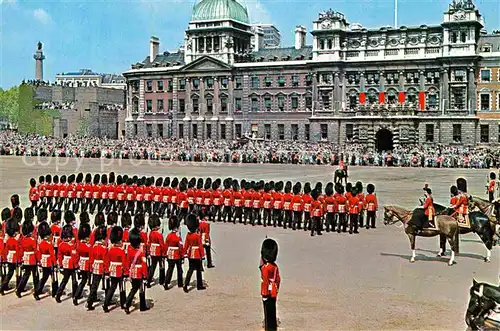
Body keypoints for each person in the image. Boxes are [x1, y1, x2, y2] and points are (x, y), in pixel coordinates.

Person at [124, 227, 149, 314]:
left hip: (132, 272)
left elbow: (127, 262)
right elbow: (144, 265)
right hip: (139, 273)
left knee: (134, 288)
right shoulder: (141, 252)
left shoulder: (129, 250)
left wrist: (127, 272)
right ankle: (142, 306)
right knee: (141, 289)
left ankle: (127, 304)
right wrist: (145, 275)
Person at [103, 226, 127, 312]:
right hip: (120, 270)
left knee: (112, 288)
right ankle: (123, 303)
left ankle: (106, 304)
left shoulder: (110, 250)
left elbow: (107, 261)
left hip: (112, 269)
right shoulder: (121, 251)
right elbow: (124, 263)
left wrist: (107, 271)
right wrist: (126, 273)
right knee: (122, 287)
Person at [260, 238, 280, 331]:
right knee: (272, 312)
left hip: (267, 292)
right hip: (274, 291)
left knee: (268, 313)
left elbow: (265, 281)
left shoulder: (265, 268)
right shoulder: (274, 266)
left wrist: (264, 294)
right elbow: (278, 279)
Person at [55, 224, 79, 303]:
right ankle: (75, 296)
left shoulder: (61, 244)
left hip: (65, 263)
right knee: (74, 281)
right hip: (71, 264)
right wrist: (76, 265)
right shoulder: (71, 245)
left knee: (64, 280)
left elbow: (59, 256)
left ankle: (58, 295)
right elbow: (74, 256)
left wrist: (61, 264)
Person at [86, 226, 107, 310]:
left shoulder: (93, 247)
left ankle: (90, 301)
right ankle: (90, 301)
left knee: (94, 284)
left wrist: (90, 268)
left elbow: (91, 259)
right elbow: (105, 261)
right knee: (97, 285)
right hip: (101, 267)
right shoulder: (103, 248)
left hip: (94, 266)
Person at [183, 214, 206, 292]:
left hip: (190, 254)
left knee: (190, 270)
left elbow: (186, 245)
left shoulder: (188, 235)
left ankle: (186, 284)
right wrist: (203, 255)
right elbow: (200, 246)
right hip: (196, 254)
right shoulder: (197, 236)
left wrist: (184, 253)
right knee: (199, 270)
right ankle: (199, 285)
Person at [16, 220, 39, 298]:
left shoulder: (22, 239)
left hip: (25, 258)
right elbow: (36, 251)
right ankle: (36, 292)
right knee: (35, 276)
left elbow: (21, 250)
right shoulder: (33, 240)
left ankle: (19, 289)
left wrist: (21, 259)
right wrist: (38, 260)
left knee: (26, 275)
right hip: (32, 259)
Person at [35, 221, 55, 300]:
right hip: (49, 261)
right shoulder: (49, 244)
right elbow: (52, 255)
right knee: (53, 277)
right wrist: (55, 263)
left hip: (43, 261)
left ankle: (37, 291)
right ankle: (54, 291)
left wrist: (39, 262)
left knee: (44, 277)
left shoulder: (41, 243)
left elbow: (38, 253)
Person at [164, 215, 184, 290]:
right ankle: (180, 283)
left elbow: (166, 245)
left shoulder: (169, 235)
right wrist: (182, 255)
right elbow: (181, 247)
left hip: (170, 254)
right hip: (177, 255)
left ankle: (166, 283)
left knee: (170, 269)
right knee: (179, 269)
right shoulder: (178, 236)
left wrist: (165, 254)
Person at [74, 222, 91, 305]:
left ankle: (76, 296)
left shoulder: (79, 245)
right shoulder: (87, 246)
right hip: (88, 264)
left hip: (81, 263)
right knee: (90, 282)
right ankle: (92, 297)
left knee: (83, 281)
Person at [147, 214, 165, 287]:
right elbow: (162, 245)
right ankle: (161, 280)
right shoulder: (159, 235)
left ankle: (148, 281)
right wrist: (164, 254)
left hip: (152, 251)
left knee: (152, 267)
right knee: (161, 266)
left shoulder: (150, 233)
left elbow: (149, 243)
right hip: (159, 252)